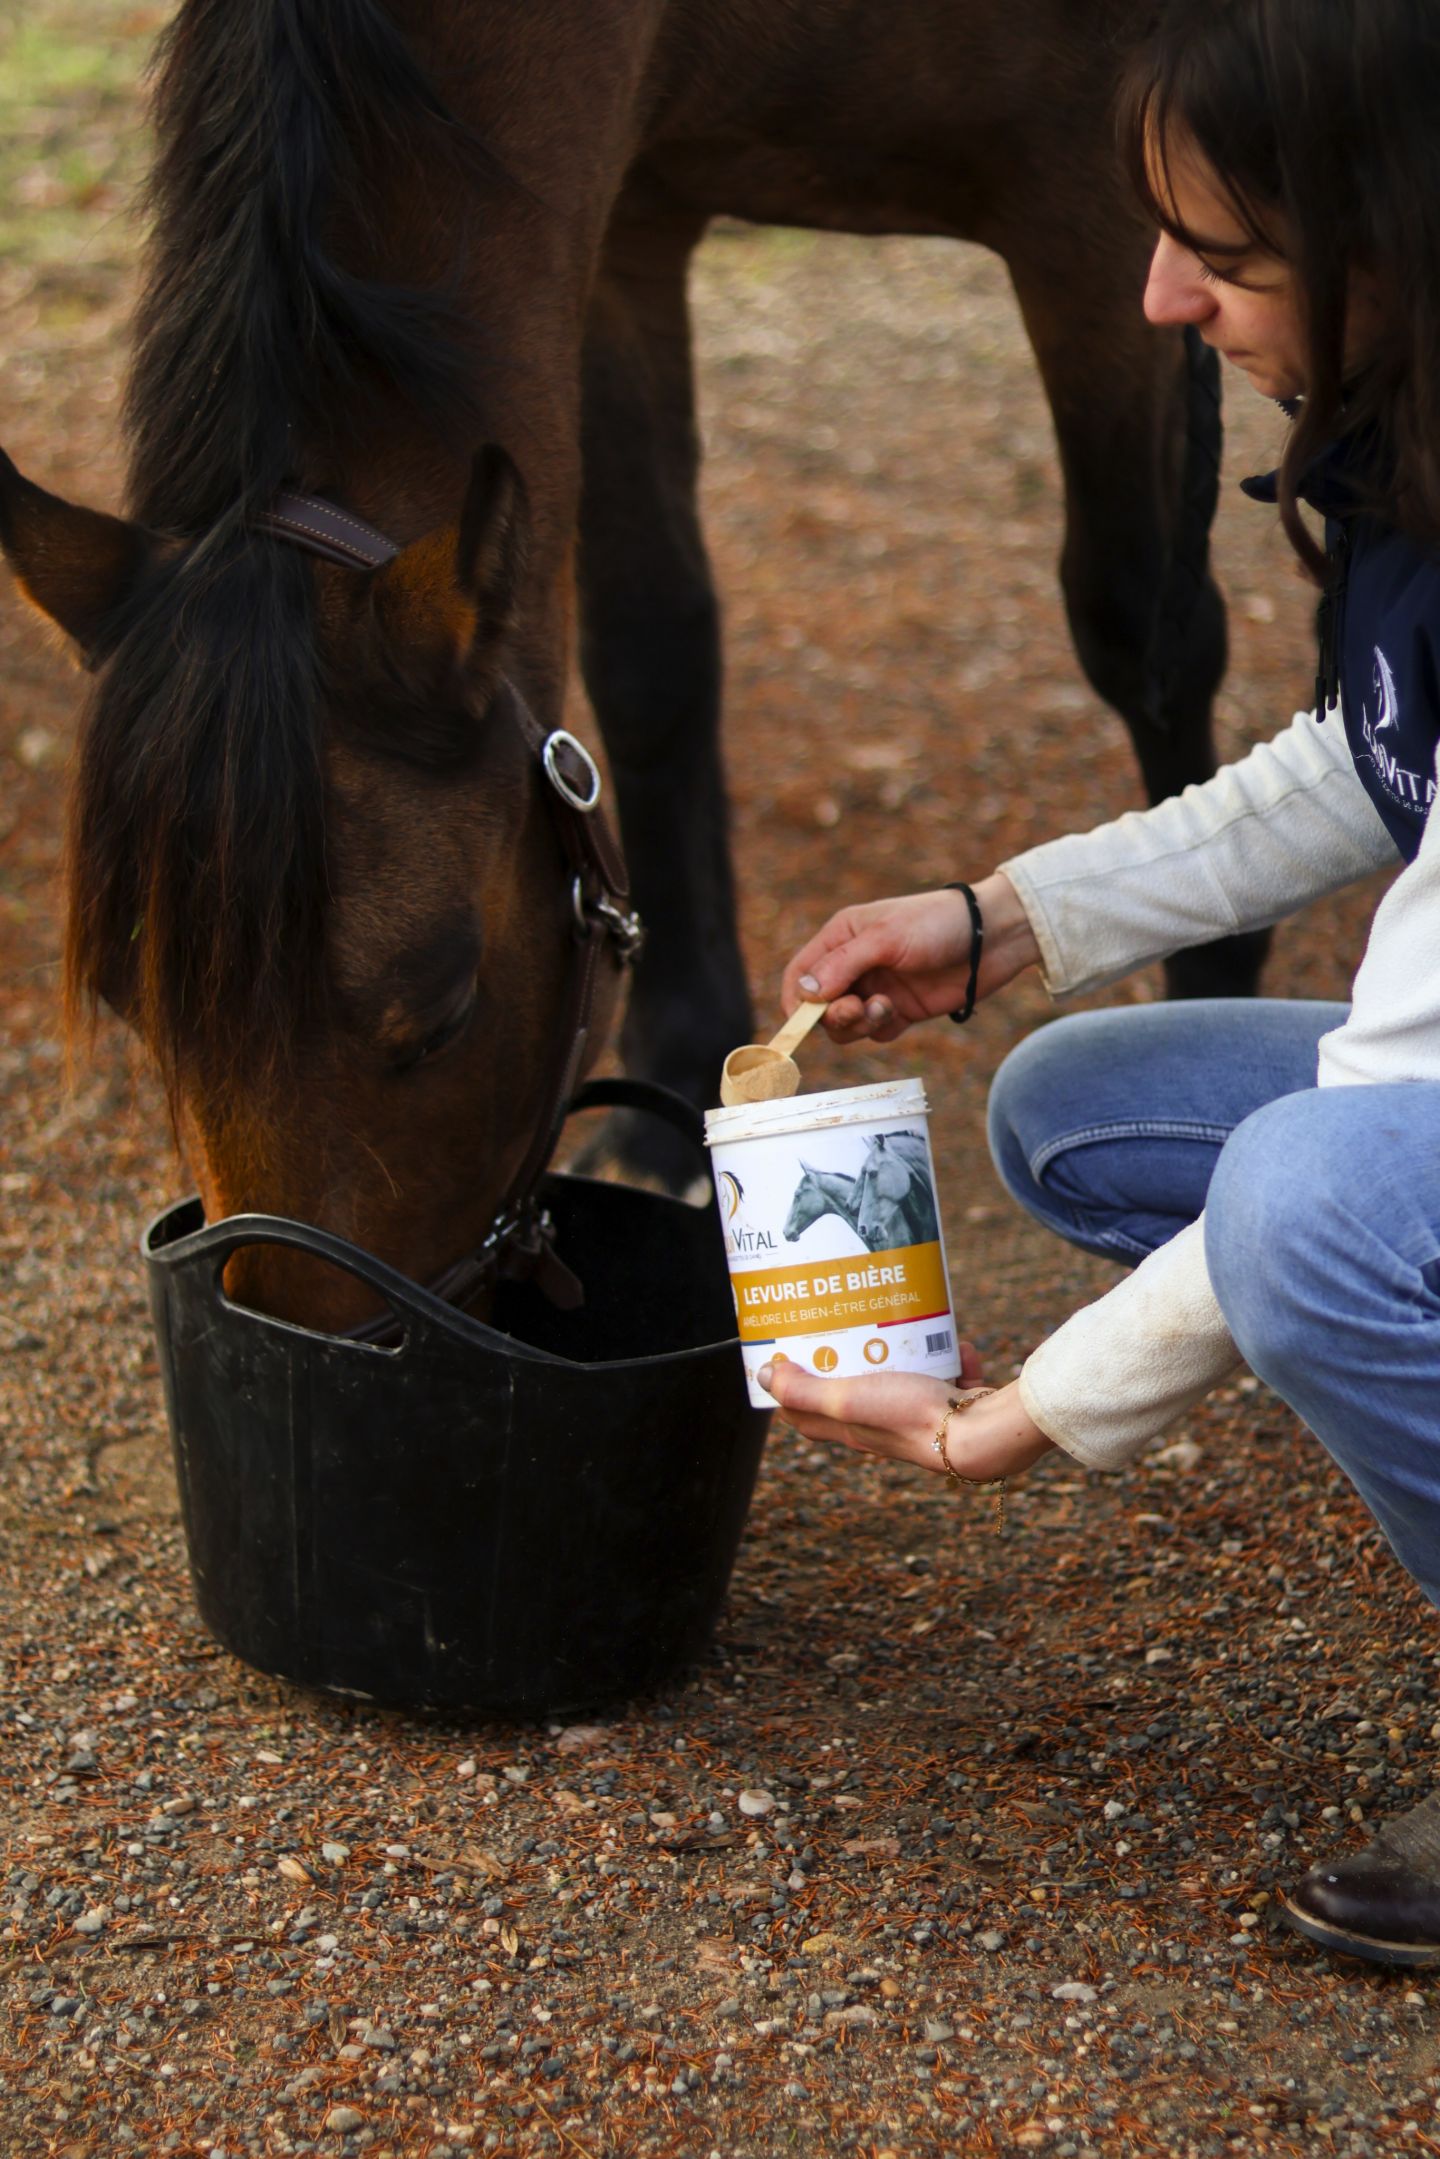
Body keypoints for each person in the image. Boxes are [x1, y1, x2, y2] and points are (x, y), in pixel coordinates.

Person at [761, 0, 1440, 1970]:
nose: (1154, 299)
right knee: (1079, 1109)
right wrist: (999, 920)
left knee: (1302, 1214)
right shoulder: (1407, 432)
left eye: (1221, 261)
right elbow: (1361, 754)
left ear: (1395, 240)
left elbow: (1381, 1103)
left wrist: (1020, 1421)